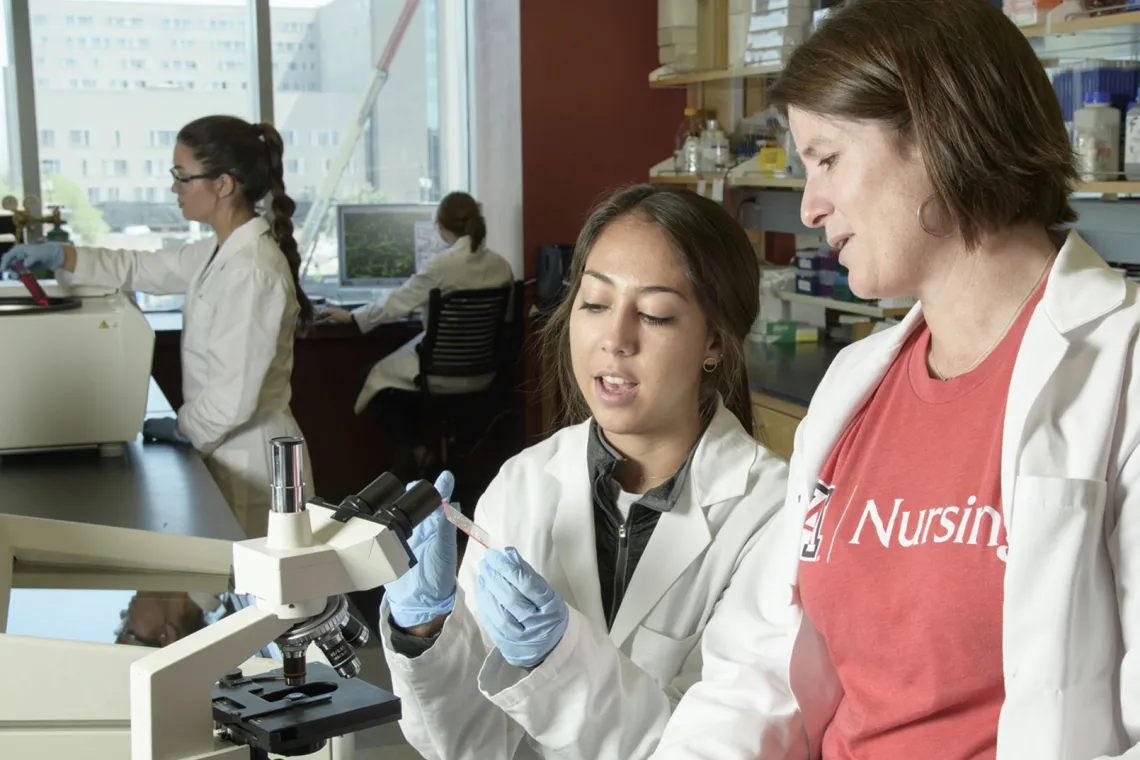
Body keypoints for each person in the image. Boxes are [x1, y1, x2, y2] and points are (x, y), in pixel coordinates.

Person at [648, 1, 1140, 758]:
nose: (811, 205)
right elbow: (762, 665)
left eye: (828, 158)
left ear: (938, 130)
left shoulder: (1122, 371)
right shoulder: (857, 387)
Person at [379, 185, 789, 759]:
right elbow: (470, 745)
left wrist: (557, 663)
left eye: (654, 313)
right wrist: (422, 633)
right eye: (594, 304)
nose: (614, 339)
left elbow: (725, 749)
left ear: (715, 342)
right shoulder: (523, 484)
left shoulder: (774, 515)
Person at [0, 115, 314, 539]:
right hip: (227, 451)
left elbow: (232, 399)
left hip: (252, 462)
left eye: (182, 177)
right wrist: (63, 256)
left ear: (223, 184)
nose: (174, 188)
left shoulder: (251, 271)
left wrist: (184, 428)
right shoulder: (217, 252)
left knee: (265, 596)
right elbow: (141, 268)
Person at [323, 190, 514, 416]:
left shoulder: (440, 266)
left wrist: (354, 316)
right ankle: (429, 448)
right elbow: (507, 320)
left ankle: (416, 448)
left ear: (439, 225)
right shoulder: (502, 266)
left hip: (439, 375)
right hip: (485, 375)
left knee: (368, 377)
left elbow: (396, 303)